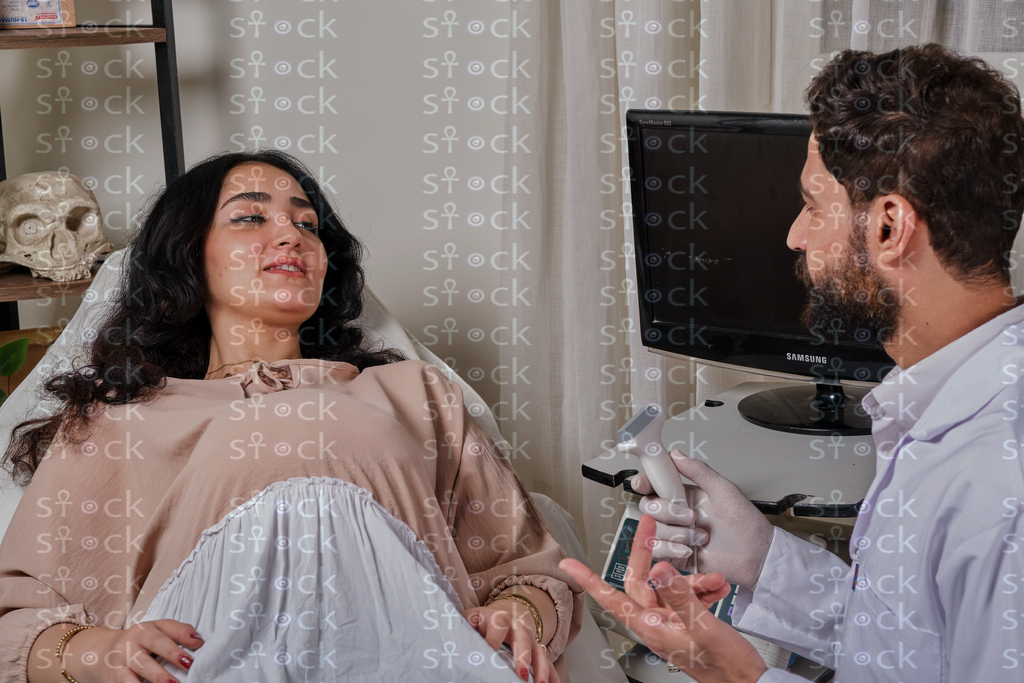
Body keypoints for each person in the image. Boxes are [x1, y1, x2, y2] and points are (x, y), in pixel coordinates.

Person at [0, 150, 582, 683]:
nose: (291, 236)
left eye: (307, 225)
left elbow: (531, 570)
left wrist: (520, 613)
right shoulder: (117, 419)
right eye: (251, 218)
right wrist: (101, 654)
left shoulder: (417, 394)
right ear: (187, 253)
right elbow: (18, 625)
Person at [561, 43, 1024, 682]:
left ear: (890, 227)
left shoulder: (1002, 491)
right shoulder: (943, 396)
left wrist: (742, 677)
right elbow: (907, 643)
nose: (794, 236)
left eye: (812, 204)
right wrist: (757, 553)